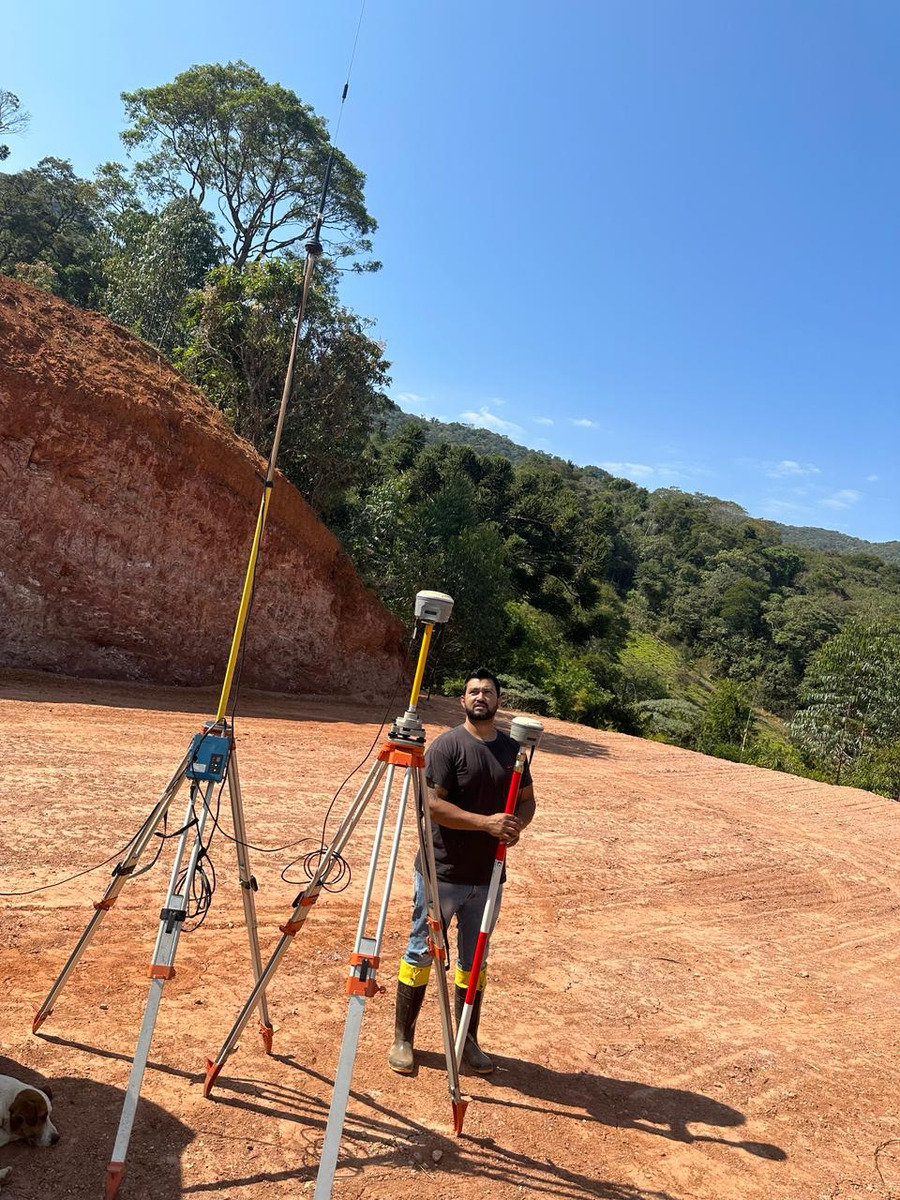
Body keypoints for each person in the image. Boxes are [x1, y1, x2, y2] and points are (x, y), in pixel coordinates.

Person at [388, 668, 535, 1076]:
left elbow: (527, 800)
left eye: (488, 691)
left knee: (474, 961)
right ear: (462, 700)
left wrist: (516, 826)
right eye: (473, 691)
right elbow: (429, 806)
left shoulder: (513, 750)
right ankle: (404, 1038)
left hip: (488, 877)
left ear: (499, 700)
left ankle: (466, 1040)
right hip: (443, 872)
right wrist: (486, 823)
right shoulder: (447, 747)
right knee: (421, 951)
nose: (480, 697)